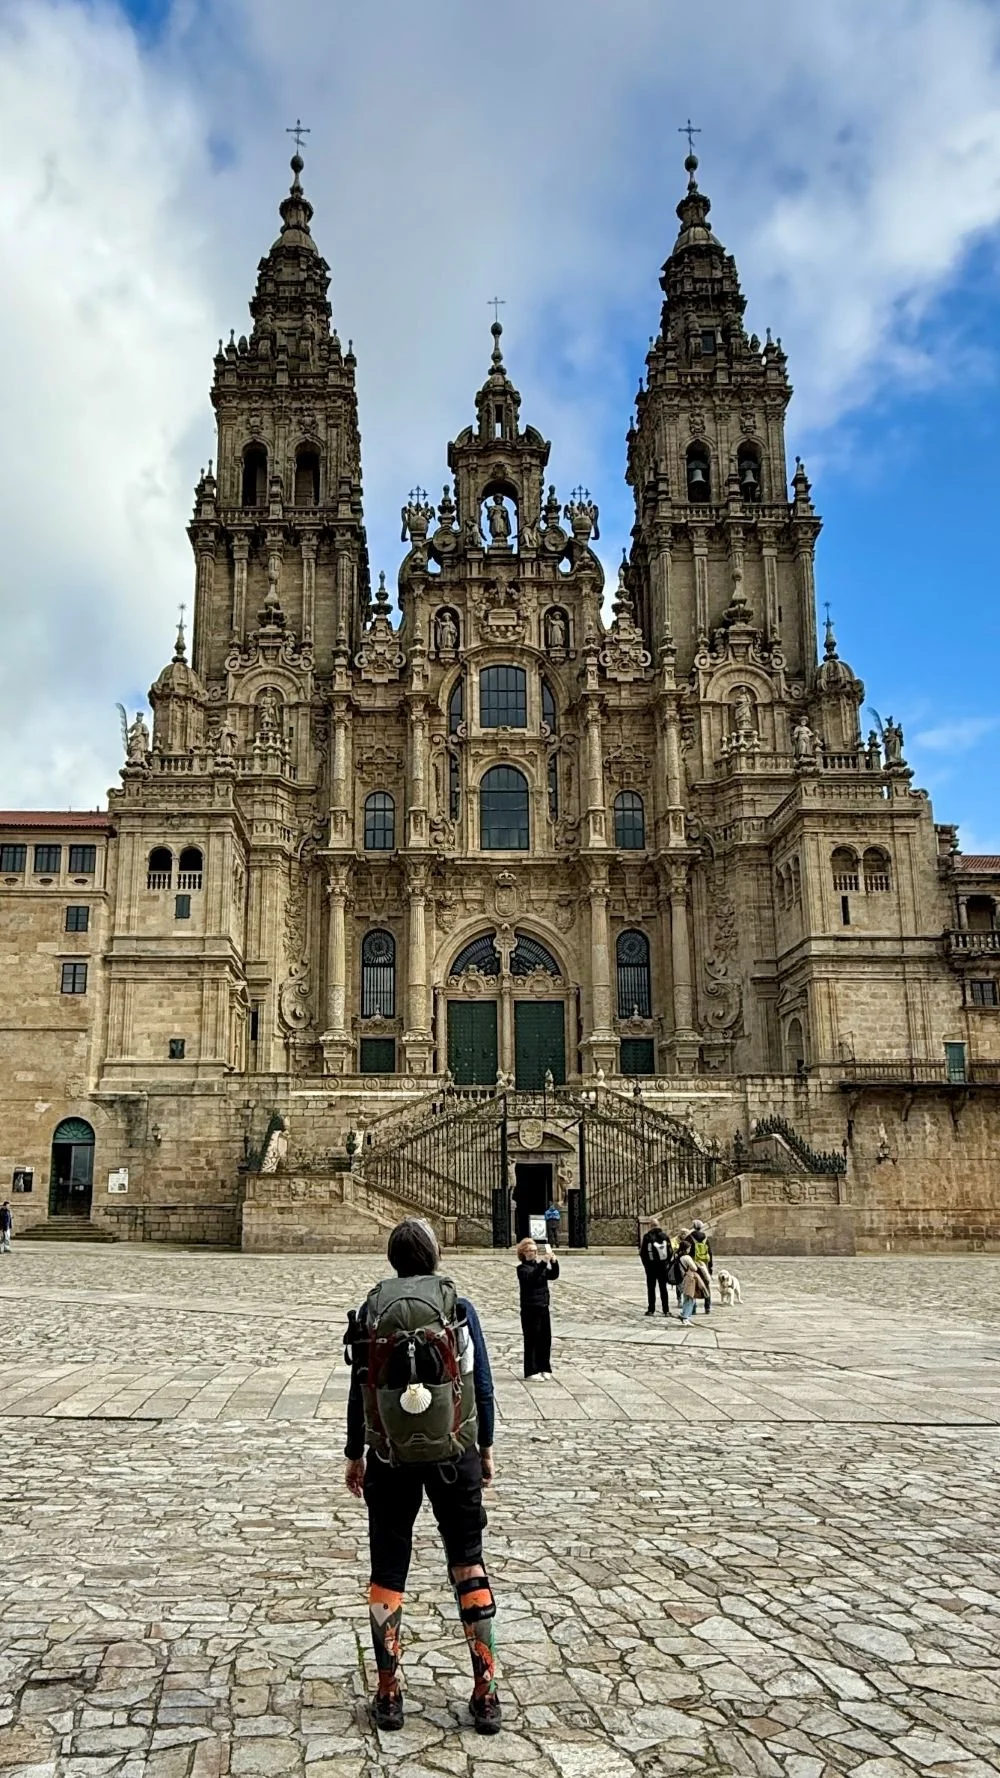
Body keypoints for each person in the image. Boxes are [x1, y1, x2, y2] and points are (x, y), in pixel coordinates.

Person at [343, 1218, 502, 1736]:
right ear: (435, 1256)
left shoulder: (372, 1310)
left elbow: (360, 1386)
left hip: (389, 1455)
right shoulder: (459, 1307)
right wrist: (486, 1446)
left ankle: (388, 1693)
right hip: (455, 1452)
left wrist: (355, 1453)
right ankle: (485, 1692)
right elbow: (481, 1381)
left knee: (388, 1570)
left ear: (393, 1259)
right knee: (468, 1563)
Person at [516, 1237, 559, 1380]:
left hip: (543, 1306)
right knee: (532, 1339)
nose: (532, 1253)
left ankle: (544, 1367)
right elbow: (531, 1278)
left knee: (545, 1339)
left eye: (534, 1251)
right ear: (523, 1253)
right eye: (529, 1251)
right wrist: (543, 1263)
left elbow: (553, 1275)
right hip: (530, 1308)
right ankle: (531, 1370)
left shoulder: (538, 1266)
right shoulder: (522, 1269)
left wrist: (554, 1262)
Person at [639, 1221, 672, 1316]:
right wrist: (666, 1263)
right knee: (663, 1288)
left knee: (651, 1288)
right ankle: (666, 1310)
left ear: (650, 1226)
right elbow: (670, 1252)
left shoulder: (647, 1237)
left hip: (651, 1267)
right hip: (663, 1266)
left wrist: (646, 1265)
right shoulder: (665, 1237)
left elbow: (643, 1253)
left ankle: (651, 1309)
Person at [678, 1240, 710, 1324]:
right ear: (686, 1249)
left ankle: (684, 1314)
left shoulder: (678, 1256)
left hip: (682, 1278)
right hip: (689, 1279)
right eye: (689, 1248)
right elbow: (694, 1268)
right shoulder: (687, 1257)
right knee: (690, 1299)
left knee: (686, 1298)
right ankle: (686, 1317)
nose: (690, 1249)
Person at [690, 1219, 714, 1314]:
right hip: (705, 1264)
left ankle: (694, 1308)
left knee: (694, 1285)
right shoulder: (705, 1238)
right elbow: (710, 1253)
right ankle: (707, 1307)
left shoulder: (690, 1237)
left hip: (694, 1264)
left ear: (694, 1226)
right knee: (706, 1285)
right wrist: (710, 1267)